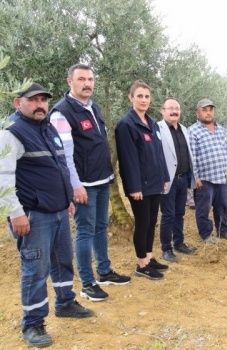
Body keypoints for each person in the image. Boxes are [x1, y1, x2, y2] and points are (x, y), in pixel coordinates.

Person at [1, 83, 94, 348]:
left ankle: (65, 302)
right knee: (36, 270)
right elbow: (3, 178)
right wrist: (15, 214)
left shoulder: (47, 128)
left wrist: (67, 199)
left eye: (43, 99)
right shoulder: (12, 133)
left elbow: (61, 166)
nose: (41, 104)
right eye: (34, 100)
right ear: (18, 103)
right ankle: (33, 324)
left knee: (63, 260)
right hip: (32, 215)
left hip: (58, 211)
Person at [49, 64, 130, 303]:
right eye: (82, 79)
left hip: (102, 179)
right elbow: (63, 155)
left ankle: (104, 271)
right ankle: (87, 283)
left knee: (100, 226)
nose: (87, 83)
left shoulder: (93, 107)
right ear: (69, 82)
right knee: (84, 231)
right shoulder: (62, 113)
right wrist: (75, 185)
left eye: (91, 79)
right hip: (83, 184)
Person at [115, 80, 170, 280]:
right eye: (139, 96)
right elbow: (128, 160)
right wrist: (134, 186)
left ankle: (149, 256)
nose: (144, 100)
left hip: (155, 182)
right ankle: (141, 264)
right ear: (131, 98)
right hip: (140, 186)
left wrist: (164, 175)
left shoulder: (152, 123)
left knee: (152, 221)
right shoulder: (126, 125)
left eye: (146, 96)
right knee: (143, 222)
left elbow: (159, 153)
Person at [190, 98, 227, 241]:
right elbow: (192, 157)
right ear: (197, 113)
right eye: (204, 110)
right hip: (204, 179)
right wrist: (195, 177)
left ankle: (222, 230)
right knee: (203, 209)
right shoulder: (193, 131)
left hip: (221, 177)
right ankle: (206, 234)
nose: (208, 113)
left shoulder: (221, 130)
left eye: (210, 109)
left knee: (222, 206)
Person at [158, 98, 198, 263]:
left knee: (180, 213)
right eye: (170, 108)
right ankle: (166, 248)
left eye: (177, 108)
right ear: (162, 111)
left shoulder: (184, 129)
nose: (174, 111)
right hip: (167, 180)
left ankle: (179, 243)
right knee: (168, 214)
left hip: (183, 178)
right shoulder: (157, 129)